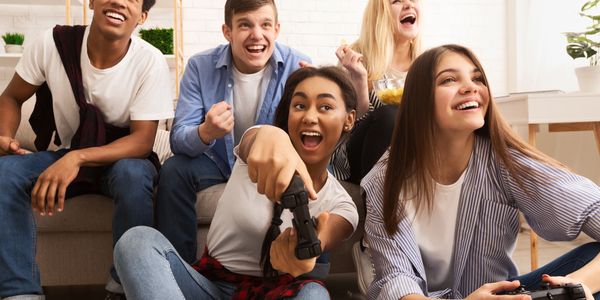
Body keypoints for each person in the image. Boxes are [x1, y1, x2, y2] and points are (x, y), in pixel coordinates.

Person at [362, 44, 600, 299]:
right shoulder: (383, 180)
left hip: (500, 295)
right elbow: (395, 279)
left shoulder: (507, 163)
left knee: (589, 262)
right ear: (419, 99)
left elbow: (592, 208)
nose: (471, 87)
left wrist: (576, 286)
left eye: (477, 78)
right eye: (449, 80)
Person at [113, 66, 359, 300]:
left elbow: (325, 236)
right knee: (136, 240)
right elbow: (259, 138)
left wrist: (301, 254)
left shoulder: (341, 205)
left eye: (325, 106)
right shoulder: (256, 149)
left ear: (348, 119)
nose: (309, 117)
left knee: (315, 295)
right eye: (300, 105)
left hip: (279, 293)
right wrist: (271, 134)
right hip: (210, 288)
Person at [0, 0, 174, 299]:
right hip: (70, 150)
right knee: (4, 172)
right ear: (92, 1)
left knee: (135, 174)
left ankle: (123, 286)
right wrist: (4, 135)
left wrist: (76, 158)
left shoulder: (150, 61)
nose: (120, 1)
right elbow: (11, 97)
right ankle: (19, 292)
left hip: (121, 159)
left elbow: (142, 141)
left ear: (142, 16)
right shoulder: (53, 44)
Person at [156, 0, 311, 265]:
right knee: (174, 170)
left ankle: (305, 263)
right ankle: (180, 270)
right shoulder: (199, 66)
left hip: (268, 164)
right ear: (227, 31)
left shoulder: (298, 67)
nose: (256, 35)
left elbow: (311, 132)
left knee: (315, 171)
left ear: (276, 29)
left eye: (265, 25)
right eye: (245, 25)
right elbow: (179, 138)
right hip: (215, 162)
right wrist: (206, 131)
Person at [331, 0, 422, 293]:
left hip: (416, 159)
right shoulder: (357, 59)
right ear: (380, 11)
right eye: (396, 1)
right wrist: (359, 85)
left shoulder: (428, 64)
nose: (409, 4)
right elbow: (342, 136)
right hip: (363, 157)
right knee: (388, 117)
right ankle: (374, 248)